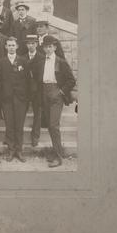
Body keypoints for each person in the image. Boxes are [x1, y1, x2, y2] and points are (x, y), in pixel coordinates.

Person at [31, 35, 76, 168]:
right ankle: (56, 152)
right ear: (43, 48)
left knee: (53, 125)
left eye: (50, 46)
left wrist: (61, 92)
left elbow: (71, 80)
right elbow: (35, 76)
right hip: (44, 93)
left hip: (56, 94)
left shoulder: (60, 62)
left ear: (55, 47)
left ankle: (59, 156)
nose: (48, 49)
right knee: (49, 125)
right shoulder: (40, 62)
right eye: (46, 47)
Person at [0, 37, 30, 162]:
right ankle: (11, 150)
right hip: (7, 99)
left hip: (20, 99)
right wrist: (1, 99)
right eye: (9, 45)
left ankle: (19, 151)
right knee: (9, 125)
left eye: (13, 45)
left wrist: (26, 98)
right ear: (6, 47)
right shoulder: (1, 62)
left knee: (19, 126)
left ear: (17, 47)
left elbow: (28, 81)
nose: (11, 47)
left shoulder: (23, 61)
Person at [24, 34, 45, 147]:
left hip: (38, 90)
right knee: (21, 112)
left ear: (37, 44)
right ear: (26, 45)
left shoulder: (42, 57)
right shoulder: (22, 57)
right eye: (29, 43)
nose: (31, 46)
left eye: (33, 43)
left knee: (38, 113)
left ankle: (35, 136)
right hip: (26, 90)